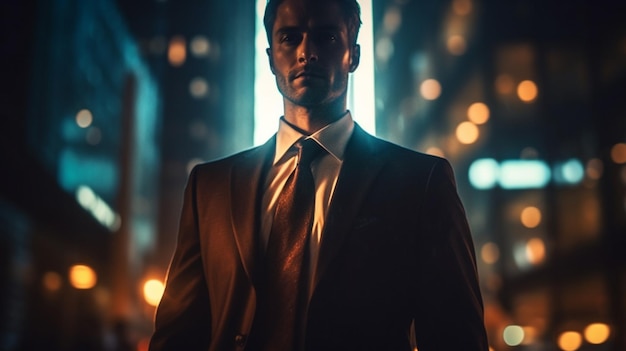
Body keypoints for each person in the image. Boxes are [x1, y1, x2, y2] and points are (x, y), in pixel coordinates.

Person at [149, 0, 488, 349]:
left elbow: (457, 336)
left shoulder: (420, 182)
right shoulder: (210, 187)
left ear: (353, 55)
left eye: (325, 37)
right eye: (289, 38)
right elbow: (177, 335)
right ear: (269, 57)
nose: (306, 52)